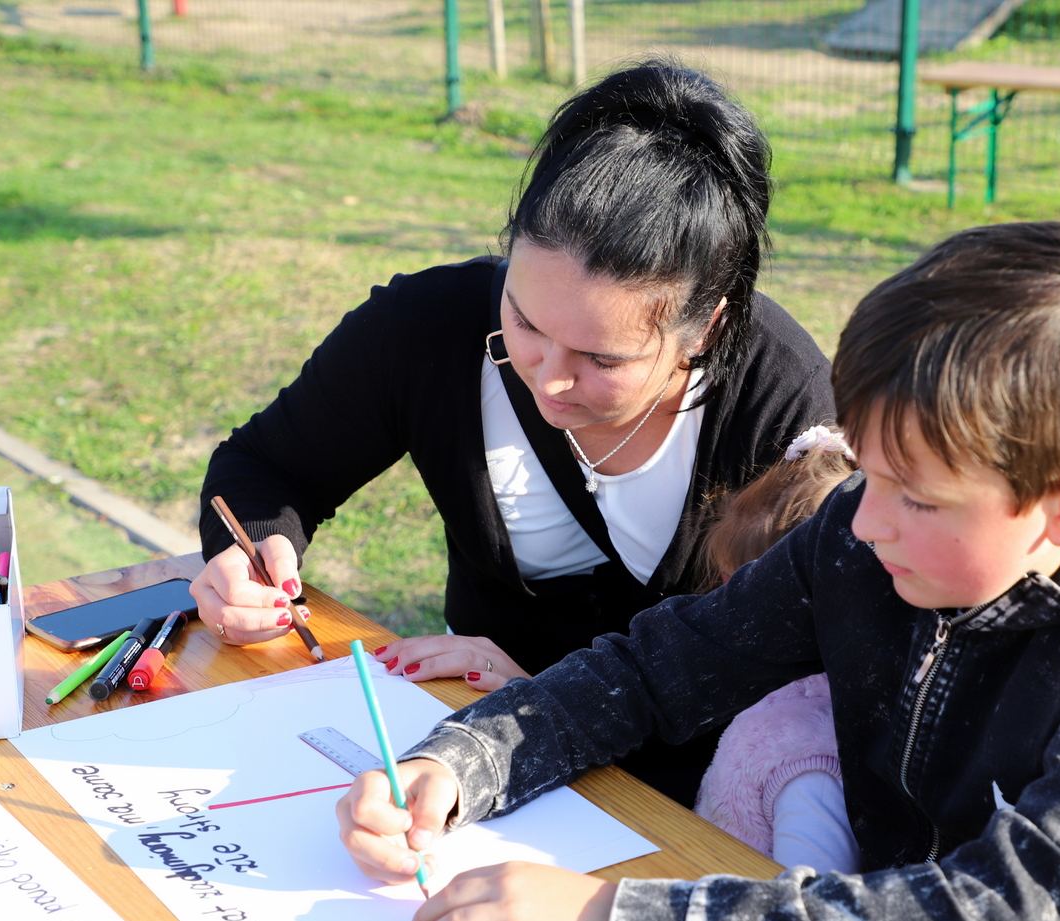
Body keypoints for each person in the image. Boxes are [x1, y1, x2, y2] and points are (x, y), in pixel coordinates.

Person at [336, 222, 1060, 921]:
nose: (863, 525)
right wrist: (462, 760)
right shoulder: (874, 527)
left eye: (915, 497)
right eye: (866, 474)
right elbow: (658, 667)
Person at [193, 61, 834, 807]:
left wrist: (542, 708)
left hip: (679, 808)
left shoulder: (782, 407)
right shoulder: (426, 329)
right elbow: (268, 466)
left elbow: (793, 679)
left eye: (602, 358)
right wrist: (252, 554)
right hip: (451, 772)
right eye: (524, 320)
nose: (548, 378)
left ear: (707, 326)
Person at [691, 425, 858, 873]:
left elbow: (810, 903)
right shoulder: (774, 700)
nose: (718, 610)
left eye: (735, 594)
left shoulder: (808, 764)